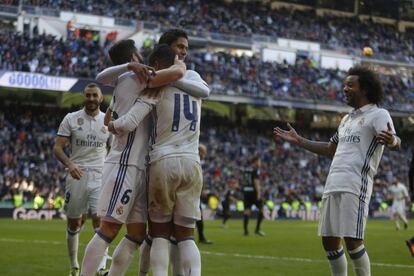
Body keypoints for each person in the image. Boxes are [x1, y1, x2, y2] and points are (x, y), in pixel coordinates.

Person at [80, 39, 209, 276]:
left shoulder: (135, 80)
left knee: (138, 234)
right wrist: (111, 125)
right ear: (134, 58)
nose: (145, 62)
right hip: (126, 164)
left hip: (146, 166)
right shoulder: (137, 80)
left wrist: (110, 122)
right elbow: (127, 117)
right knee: (109, 228)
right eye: (140, 57)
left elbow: (104, 79)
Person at [274, 65, 401, 276]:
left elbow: (395, 142)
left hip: (355, 184)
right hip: (333, 183)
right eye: (345, 84)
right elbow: (330, 148)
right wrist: (299, 140)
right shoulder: (346, 119)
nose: (345, 88)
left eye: (350, 85)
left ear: (365, 89)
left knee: (353, 241)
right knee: (330, 241)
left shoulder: (378, 114)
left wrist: (393, 140)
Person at [53, 83, 112, 276]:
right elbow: (58, 147)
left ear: (101, 98)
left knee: (100, 220)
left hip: (100, 175)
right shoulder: (71, 118)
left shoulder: (108, 121)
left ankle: (101, 268)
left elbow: (114, 150)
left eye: (95, 95)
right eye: (88, 95)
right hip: (76, 175)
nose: (91, 99)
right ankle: (74, 266)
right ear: (84, 97)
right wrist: (70, 165)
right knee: (74, 223)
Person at [241, 155, 265, 236]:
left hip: (246, 192)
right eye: (259, 161)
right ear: (255, 161)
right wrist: (258, 193)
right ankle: (257, 229)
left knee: (247, 211)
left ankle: (246, 231)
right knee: (261, 210)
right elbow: (256, 182)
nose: (260, 163)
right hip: (253, 192)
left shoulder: (245, 169)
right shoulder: (255, 170)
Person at [196, 143, 213, 244]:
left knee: (199, 216)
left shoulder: (197, 162)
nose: (205, 155)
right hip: (192, 194)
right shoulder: (196, 161)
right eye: (204, 152)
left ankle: (201, 237)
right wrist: (201, 191)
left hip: (195, 193)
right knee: (198, 216)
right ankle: (201, 237)